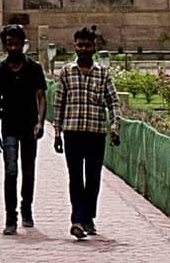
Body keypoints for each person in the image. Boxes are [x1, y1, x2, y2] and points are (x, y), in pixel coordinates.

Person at [53, 27, 121, 240]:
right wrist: (56, 132)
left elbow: (113, 102)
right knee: (75, 177)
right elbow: (59, 103)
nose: (83, 49)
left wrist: (115, 126)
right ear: (75, 46)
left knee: (92, 178)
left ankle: (87, 218)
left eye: (87, 45)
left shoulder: (103, 74)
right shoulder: (66, 72)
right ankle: (78, 219)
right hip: (72, 132)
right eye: (80, 45)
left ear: (94, 47)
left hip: (95, 131)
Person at [0, 24, 47, 235]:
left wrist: (40, 122)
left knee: (28, 171)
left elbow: (41, 97)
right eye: (9, 43)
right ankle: (10, 216)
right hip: (9, 127)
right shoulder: (0, 71)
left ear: (23, 44)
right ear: (5, 45)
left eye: (17, 43)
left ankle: (26, 208)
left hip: (29, 126)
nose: (13, 47)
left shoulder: (34, 69)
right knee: (10, 170)